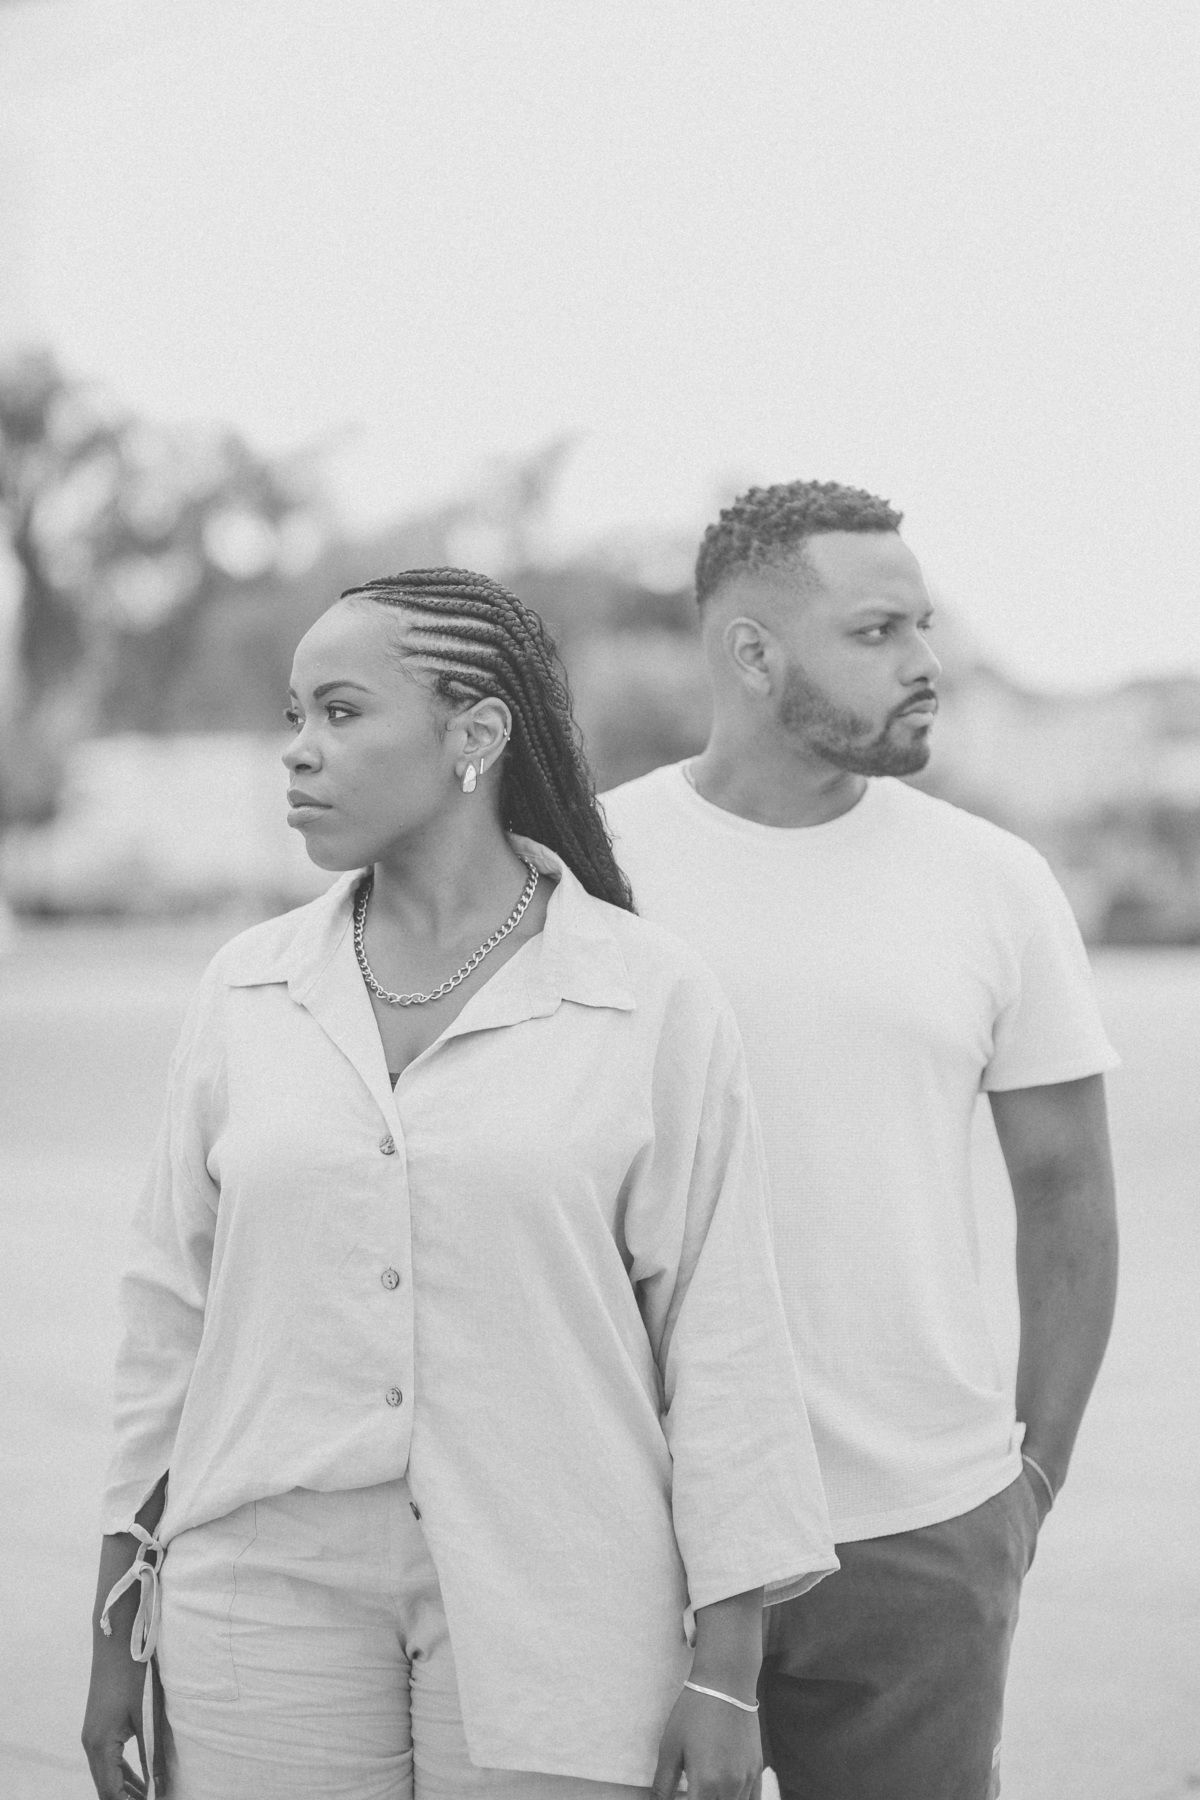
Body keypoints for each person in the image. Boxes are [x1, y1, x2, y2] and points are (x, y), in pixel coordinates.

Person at [81, 566, 836, 1800]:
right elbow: (169, 1320)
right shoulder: (246, 989)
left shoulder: (648, 996)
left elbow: (726, 1338)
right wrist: (117, 1620)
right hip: (259, 1602)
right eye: (295, 716)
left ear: (476, 735)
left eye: (342, 712)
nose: (299, 751)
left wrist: (727, 1672)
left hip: (563, 1594)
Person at [600, 483, 1120, 1800]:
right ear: (752, 653)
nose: (925, 662)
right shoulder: (591, 870)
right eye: (878, 631)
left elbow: (1067, 1194)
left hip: (922, 1530)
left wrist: (1029, 1485)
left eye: (922, 625)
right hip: (635, 1525)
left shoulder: (993, 882)